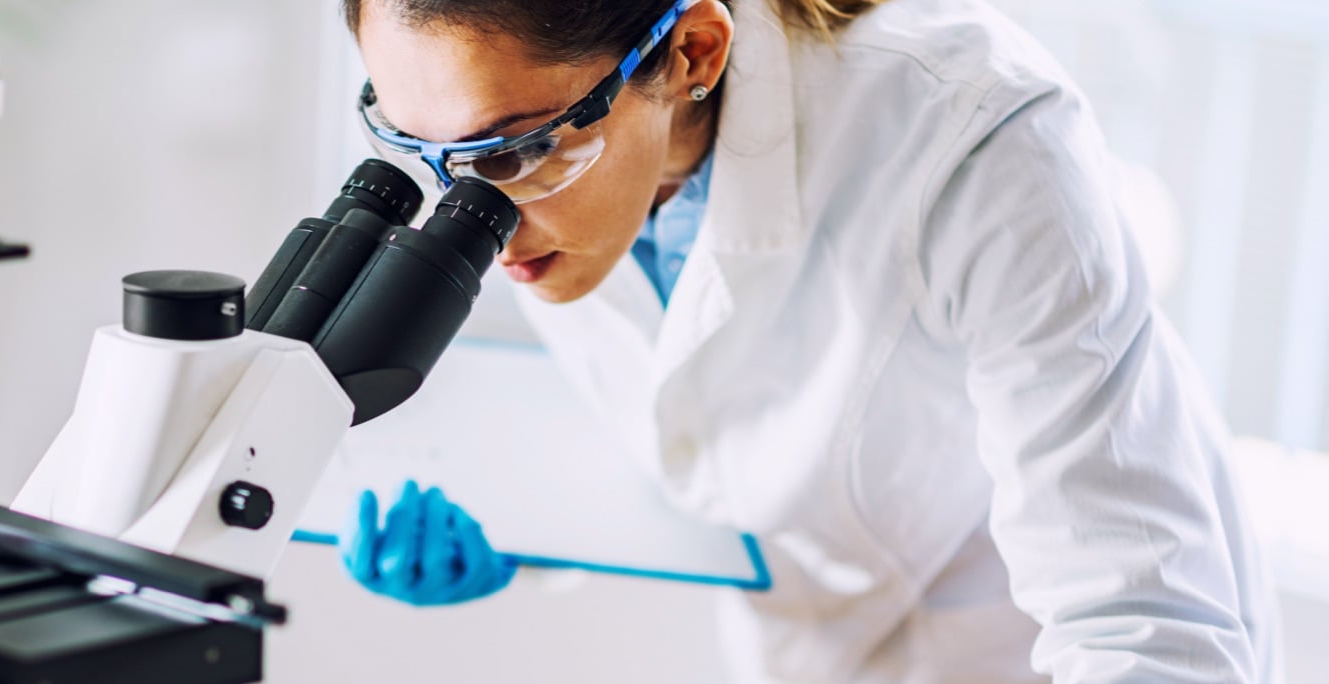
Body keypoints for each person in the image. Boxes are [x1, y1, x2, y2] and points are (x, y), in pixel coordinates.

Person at [334, 0, 1280, 681]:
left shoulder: (976, 136)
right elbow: (714, 432)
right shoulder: (565, 157)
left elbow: (1143, 621)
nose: (472, 215)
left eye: (508, 152)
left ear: (693, 52)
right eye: (417, 152)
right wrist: (528, 536)